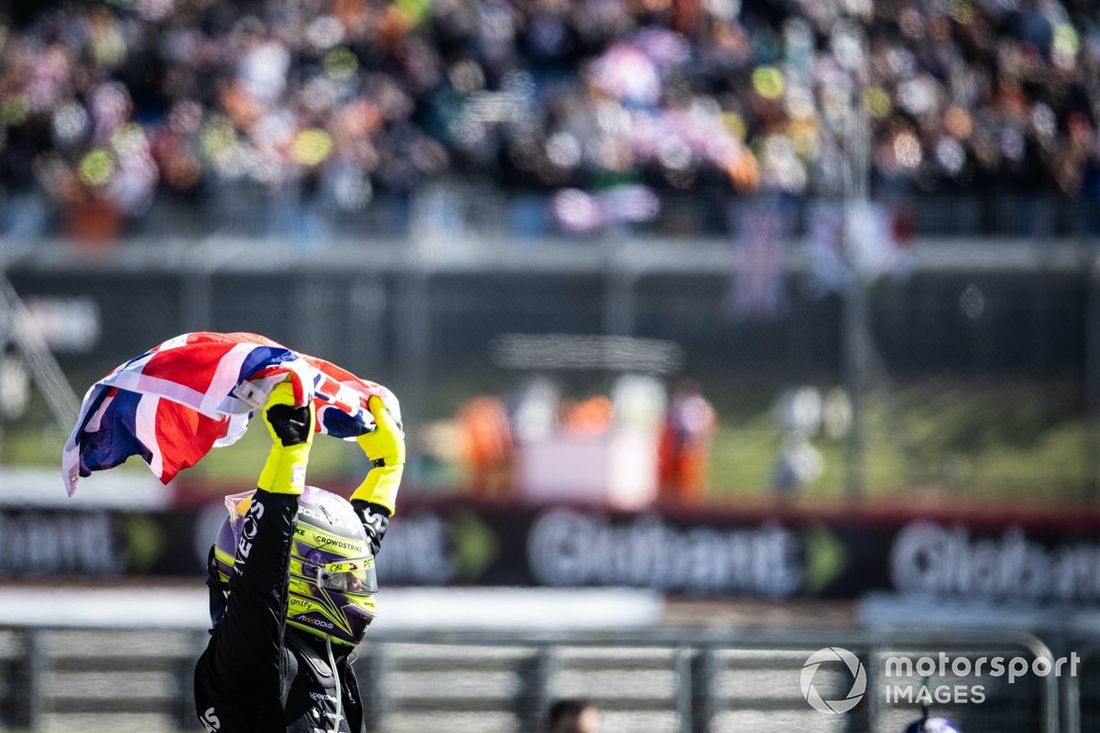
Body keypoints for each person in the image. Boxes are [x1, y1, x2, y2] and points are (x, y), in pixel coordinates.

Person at [194, 379, 405, 732]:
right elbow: (263, 577)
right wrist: (289, 452)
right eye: (341, 577)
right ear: (297, 577)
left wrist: (386, 470)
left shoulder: (317, 650)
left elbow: (351, 546)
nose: (354, 584)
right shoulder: (247, 661)